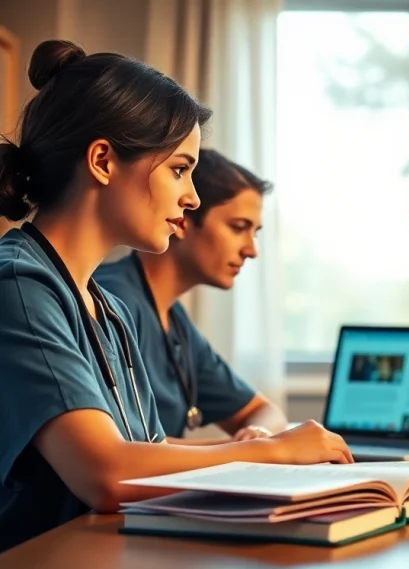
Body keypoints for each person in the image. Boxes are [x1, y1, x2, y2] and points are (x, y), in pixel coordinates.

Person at [0, 40, 351, 552]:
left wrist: (254, 449)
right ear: (102, 160)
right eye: (179, 169)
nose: (192, 197)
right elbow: (108, 473)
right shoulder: (19, 286)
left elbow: (148, 451)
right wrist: (273, 452)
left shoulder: (110, 310)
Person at [95, 149, 286, 442]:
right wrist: (250, 451)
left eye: (254, 233)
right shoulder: (111, 300)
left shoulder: (175, 322)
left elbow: (265, 412)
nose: (251, 250)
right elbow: (125, 445)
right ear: (183, 220)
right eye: (238, 228)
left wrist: (256, 434)